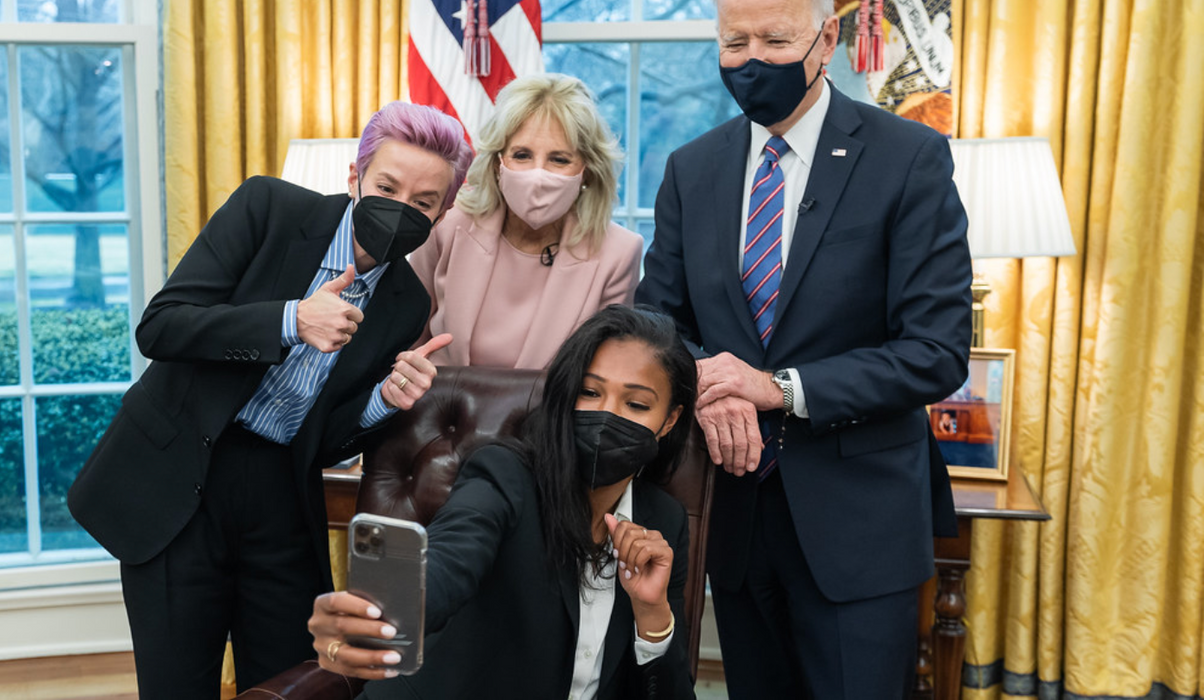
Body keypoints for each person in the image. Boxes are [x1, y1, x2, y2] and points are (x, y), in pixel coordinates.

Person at [67, 102, 474, 699]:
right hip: (183, 474)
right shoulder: (268, 209)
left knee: (293, 684)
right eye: (387, 186)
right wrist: (289, 320)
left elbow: (327, 437)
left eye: (422, 202)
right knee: (177, 684)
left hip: (282, 492)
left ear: (443, 212)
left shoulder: (408, 302)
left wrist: (384, 401)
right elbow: (161, 326)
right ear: (355, 177)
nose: (400, 208)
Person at [635, 0, 973, 696]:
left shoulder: (907, 157)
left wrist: (778, 387)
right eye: (734, 41)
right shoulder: (690, 168)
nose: (751, 57)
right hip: (732, 514)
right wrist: (701, 377)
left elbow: (934, 351)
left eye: (774, 39)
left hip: (858, 523)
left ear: (825, 39)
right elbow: (656, 324)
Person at [308, 305, 698, 699]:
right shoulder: (505, 474)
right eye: (590, 392)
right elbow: (451, 555)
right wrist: (382, 610)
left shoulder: (663, 520)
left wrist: (652, 614)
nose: (606, 415)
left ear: (669, 420)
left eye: (636, 404)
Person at [409, 73, 643, 369]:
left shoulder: (619, 253)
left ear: (587, 170)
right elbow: (406, 341)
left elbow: (604, 372)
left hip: (548, 413)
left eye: (559, 159)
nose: (538, 175)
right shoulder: (446, 226)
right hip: (439, 408)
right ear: (498, 163)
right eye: (522, 155)